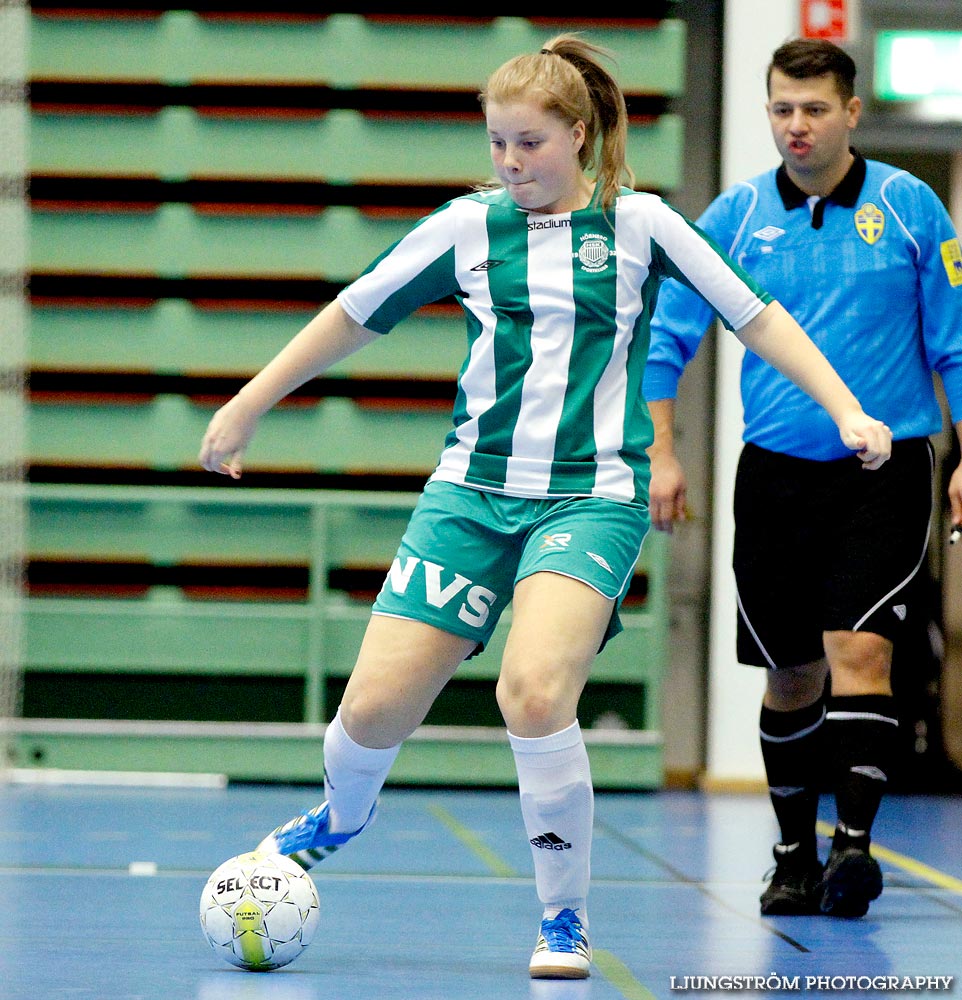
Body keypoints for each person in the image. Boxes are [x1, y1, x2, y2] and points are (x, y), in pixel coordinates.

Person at [199, 35, 891, 977]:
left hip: (591, 496)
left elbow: (756, 315)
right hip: (470, 496)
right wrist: (246, 406)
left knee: (530, 692)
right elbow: (353, 314)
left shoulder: (643, 224)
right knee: (370, 713)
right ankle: (343, 813)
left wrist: (846, 406)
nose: (511, 163)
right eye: (496, 145)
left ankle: (562, 918)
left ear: (577, 134)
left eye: (528, 144)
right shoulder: (465, 228)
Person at [644, 37, 962, 920]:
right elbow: (667, 338)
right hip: (775, 476)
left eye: (815, 109)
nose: (796, 125)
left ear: (852, 113)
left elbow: (956, 345)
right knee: (790, 675)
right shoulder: (736, 217)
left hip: (887, 469)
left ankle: (853, 851)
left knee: (859, 652)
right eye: (782, 108)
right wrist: (663, 454)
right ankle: (792, 858)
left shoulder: (910, 207)